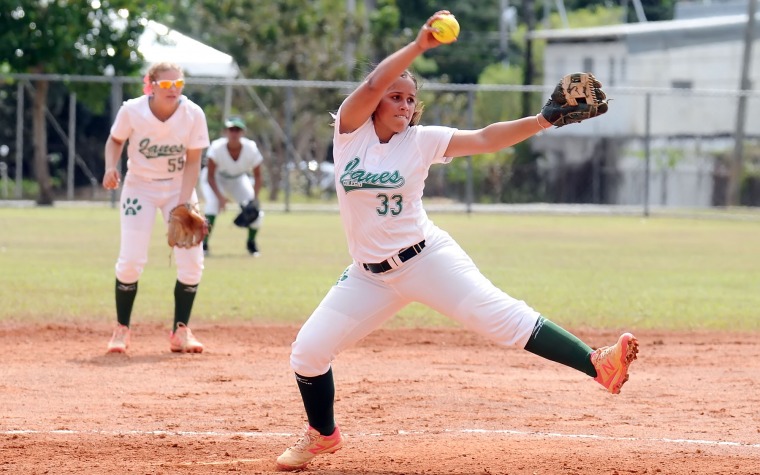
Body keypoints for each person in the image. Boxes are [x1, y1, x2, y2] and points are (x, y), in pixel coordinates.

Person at [274, 11, 639, 471]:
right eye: (396, 97)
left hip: (425, 259)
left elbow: (485, 138)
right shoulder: (350, 136)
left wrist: (544, 120)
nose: (404, 105)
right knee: (307, 353)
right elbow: (369, 86)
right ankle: (322, 435)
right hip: (368, 276)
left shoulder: (422, 141)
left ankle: (597, 364)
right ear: (376, 103)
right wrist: (419, 47)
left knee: (501, 316)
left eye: (410, 99)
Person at [102, 62, 210, 354]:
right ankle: (122, 330)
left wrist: (184, 203)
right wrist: (111, 166)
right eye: (165, 84)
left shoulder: (192, 114)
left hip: (178, 186)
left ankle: (181, 332)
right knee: (131, 259)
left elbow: (193, 160)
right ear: (151, 84)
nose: (173, 89)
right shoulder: (132, 110)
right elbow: (114, 141)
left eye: (178, 83)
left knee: (191, 262)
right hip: (140, 186)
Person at [199, 117, 265, 256]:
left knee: (255, 213)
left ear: (243, 132)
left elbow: (258, 175)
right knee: (213, 205)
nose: (234, 133)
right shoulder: (217, 147)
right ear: (225, 132)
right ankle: (203, 245)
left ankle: (251, 243)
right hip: (216, 178)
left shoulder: (250, 148)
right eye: (231, 130)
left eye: (237, 130)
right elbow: (210, 175)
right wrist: (220, 198)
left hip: (238, 179)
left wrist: (254, 199)